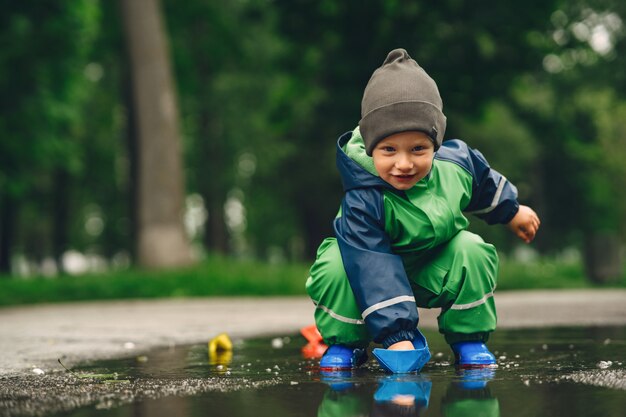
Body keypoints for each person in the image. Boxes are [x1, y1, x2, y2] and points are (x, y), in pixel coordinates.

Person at [305, 48, 540, 371]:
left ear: (436, 143)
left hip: (430, 266)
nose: (404, 163)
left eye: (418, 149)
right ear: (372, 147)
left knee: (471, 249)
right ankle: (346, 344)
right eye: (389, 150)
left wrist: (512, 211)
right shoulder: (364, 197)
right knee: (334, 265)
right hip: (368, 274)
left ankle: (469, 339)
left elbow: (484, 183)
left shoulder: (456, 165)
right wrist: (398, 336)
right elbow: (373, 265)